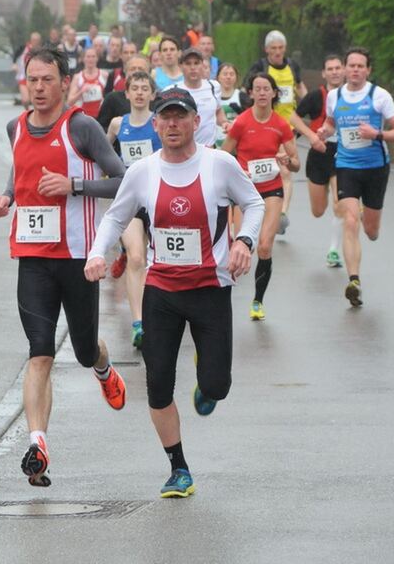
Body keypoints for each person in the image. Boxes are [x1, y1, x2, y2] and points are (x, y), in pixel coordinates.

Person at [85, 87, 264, 498]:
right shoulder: (142, 172)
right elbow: (115, 218)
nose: (171, 124)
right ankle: (178, 469)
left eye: (179, 116)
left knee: (217, 387)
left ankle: (206, 379)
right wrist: (97, 252)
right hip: (161, 291)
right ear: (155, 123)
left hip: (210, 289)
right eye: (165, 117)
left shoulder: (220, 165)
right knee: (159, 383)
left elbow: (253, 204)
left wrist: (245, 242)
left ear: (194, 122)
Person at [0, 47, 127, 488]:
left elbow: (122, 178)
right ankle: (38, 443)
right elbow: (19, 172)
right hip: (32, 259)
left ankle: (103, 367)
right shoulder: (15, 127)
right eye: (34, 80)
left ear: (65, 83)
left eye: (48, 79)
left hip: (76, 260)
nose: (40, 87)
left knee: (84, 351)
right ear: (25, 82)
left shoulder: (81, 128)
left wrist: (74, 185)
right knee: (40, 352)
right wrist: (6, 198)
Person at [317, 47, 394, 307]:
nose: (355, 69)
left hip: (376, 167)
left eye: (360, 66)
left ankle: (372, 225)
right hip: (346, 166)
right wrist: (325, 129)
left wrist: (377, 134)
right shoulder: (334, 96)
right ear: (344, 69)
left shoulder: (379, 96)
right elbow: (332, 122)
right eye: (351, 65)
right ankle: (353, 280)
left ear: (368, 70)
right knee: (350, 219)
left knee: (370, 229)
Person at [223, 72, 299, 320]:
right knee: (239, 246)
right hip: (244, 192)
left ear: (274, 93)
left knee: (265, 246)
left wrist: (287, 160)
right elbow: (223, 156)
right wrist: (239, 169)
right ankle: (222, 299)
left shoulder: (280, 125)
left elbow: (296, 163)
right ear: (251, 93)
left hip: (271, 190)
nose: (263, 92)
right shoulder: (242, 123)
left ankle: (257, 301)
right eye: (258, 88)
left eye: (267, 88)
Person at [107, 71, 161, 348]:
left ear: (152, 95)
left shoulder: (160, 123)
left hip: (158, 199)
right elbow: (103, 155)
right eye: (134, 88)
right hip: (130, 200)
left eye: (145, 88)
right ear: (126, 94)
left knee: (160, 260)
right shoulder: (118, 125)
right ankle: (139, 324)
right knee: (138, 259)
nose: (139, 93)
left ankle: (166, 312)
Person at [246, 30, 307, 234]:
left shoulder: (292, 65)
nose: (277, 52)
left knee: (286, 169)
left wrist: (307, 106)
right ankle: (263, 205)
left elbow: (299, 87)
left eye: (281, 48)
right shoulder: (261, 67)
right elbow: (248, 89)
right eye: (273, 49)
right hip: (265, 125)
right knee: (266, 168)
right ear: (267, 50)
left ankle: (281, 213)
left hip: (287, 126)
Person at [289, 55, 345, 267]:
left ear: (344, 70)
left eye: (338, 68)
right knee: (318, 210)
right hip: (319, 155)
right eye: (330, 69)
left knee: (340, 204)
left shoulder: (351, 96)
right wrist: (311, 136)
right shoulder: (315, 96)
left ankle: (333, 251)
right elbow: (294, 118)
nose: (334, 72)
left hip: (343, 153)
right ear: (324, 73)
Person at [172, 48, 226, 147]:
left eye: (196, 63)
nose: (193, 68)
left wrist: (224, 123)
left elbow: (218, 110)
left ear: (202, 65)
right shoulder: (173, 90)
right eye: (188, 63)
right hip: (183, 150)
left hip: (209, 148)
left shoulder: (214, 87)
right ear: (180, 66)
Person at [97, 55, 150, 132]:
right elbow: (101, 129)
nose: (136, 72)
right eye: (132, 69)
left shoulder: (156, 99)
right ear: (125, 72)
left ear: (149, 73)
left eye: (141, 69)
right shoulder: (112, 99)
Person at [67, 47, 108, 118]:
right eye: (88, 57)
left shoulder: (104, 75)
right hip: (83, 116)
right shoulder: (78, 77)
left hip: (100, 116)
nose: (91, 59)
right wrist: (81, 92)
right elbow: (69, 102)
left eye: (93, 56)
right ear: (84, 59)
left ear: (97, 58)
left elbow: (108, 95)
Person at [13, 32, 42, 109]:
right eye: (34, 40)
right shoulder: (23, 48)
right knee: (26, 100)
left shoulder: (42, 51)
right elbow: (15, 55)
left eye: (37, 40)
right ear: (31, 40)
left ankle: (36, 114)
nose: (35, 42)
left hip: (37, 78)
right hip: (24, 77)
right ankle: (27, 111)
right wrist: (14, 64)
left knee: (35, 99)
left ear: (39, 41)